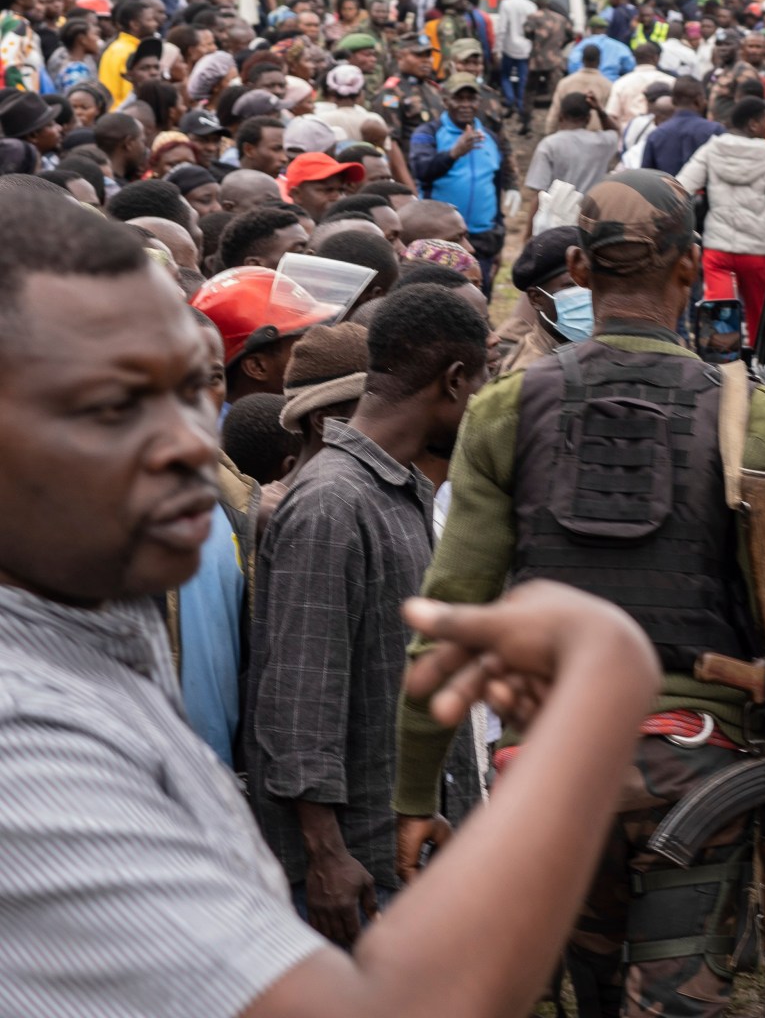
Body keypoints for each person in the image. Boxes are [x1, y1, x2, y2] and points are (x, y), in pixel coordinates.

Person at [0, 186, 687, 1018]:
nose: (188, 440)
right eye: (113, 405)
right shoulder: (25, 736)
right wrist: (599, 687)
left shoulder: (104, 616)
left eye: (194, 388)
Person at [390, 171, 765, 1015]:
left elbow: (446, 623)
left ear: (579, 268)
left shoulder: (506, 410)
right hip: (696, 765)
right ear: (691, 269)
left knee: (587, 987)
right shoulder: (751, 418)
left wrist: (411, 797)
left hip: (548, 767)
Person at [246, 288, 488, 942]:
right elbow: (299, 703)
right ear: (455, 381)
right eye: (480, 388)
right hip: (357, 869)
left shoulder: (399, 491)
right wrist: (326, 857)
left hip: (402, 854)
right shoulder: (333, 506)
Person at [674, 95, 765, 346]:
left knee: (719, 311)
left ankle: (722, 365)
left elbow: (681, 187)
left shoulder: (712, 149)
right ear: (752, 124)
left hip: (719, 249)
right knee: (759, 314)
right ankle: (757, 365)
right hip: (758, 252)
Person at [404, 73, 511, 296]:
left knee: (479, 298)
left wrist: (498, 233)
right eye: (458, 98)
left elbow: (496, 184)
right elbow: (421, 171)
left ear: (478, 102)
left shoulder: (489, 136)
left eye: (470, 99)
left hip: (482, 238)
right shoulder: (428, 133)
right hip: (442, 239)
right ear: (445, 101)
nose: (465, 105)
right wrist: (453, 153)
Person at [520, 91, 620, 233]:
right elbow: (615, 130)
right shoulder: (603, 142)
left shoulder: (549, 144)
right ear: (588, 118)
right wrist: (600, 110)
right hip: (590, 222)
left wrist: (528, 236)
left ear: (560, 116)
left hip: (554, 226)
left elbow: (539, 195)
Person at [640, 76, 719, 176]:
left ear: (673, 101)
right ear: (699, 100)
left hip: (667, 191)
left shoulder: (656, 135)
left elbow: (646, 177)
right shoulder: (715, 131)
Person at [494, 0, 538, 126]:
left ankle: (510, 100)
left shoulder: (506, 4)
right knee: (522, 79)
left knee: (505, 76)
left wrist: (497, 49)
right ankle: (520, 107)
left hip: (509, 48)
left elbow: (501, 29)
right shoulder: (531, 6)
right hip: (525, 49)